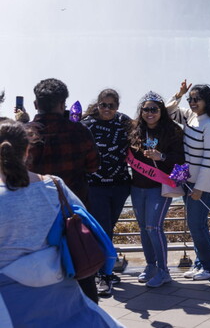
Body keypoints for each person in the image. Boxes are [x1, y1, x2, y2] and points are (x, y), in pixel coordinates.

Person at [0, 121, 123, 327]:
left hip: (10, 305)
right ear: (28, 149)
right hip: (62, 293)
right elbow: (82, 219)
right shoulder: (55, 185)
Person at [24, 78, 101, 303]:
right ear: (63, 104)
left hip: (35, 215)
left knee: (40, 274)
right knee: (82, 265)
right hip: (72, 212)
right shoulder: (80, 131)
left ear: (36, 104)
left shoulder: (23, 135)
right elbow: (93, 165)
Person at [167, 81, 210, 281]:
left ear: (207, 101)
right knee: (195, 223)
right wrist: (179, 94)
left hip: (204, 182)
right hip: (189, 179)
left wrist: (199, 189)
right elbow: (167, 112)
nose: (193, 102)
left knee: (197, 224)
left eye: (197, 99)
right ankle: (201, 264)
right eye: (191, 99)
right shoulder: (190, 116)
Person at [128, 92, 184, 288]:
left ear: (161, 111)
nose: (149, 113)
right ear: (141, 111)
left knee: (154, 228)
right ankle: (151, 266)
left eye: (154, 109)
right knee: (144, 228)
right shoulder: (135, 130)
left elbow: (181, 159)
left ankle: (164, 271)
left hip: (159, 187)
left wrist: (162, 157)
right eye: (146, 109)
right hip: (137, 187)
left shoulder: (173, 131)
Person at [82, 89, 133, 296]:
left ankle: (101, 269)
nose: (107, 109)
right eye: (104, 105)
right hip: (95, 186)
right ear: (98, 104)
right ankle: (104, 274)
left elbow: (149, 123)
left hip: (120, 185)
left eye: (111, 105)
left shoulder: (124, 122)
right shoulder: (87, 124)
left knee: (108, 227)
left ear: (117, 107)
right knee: (103, 229)